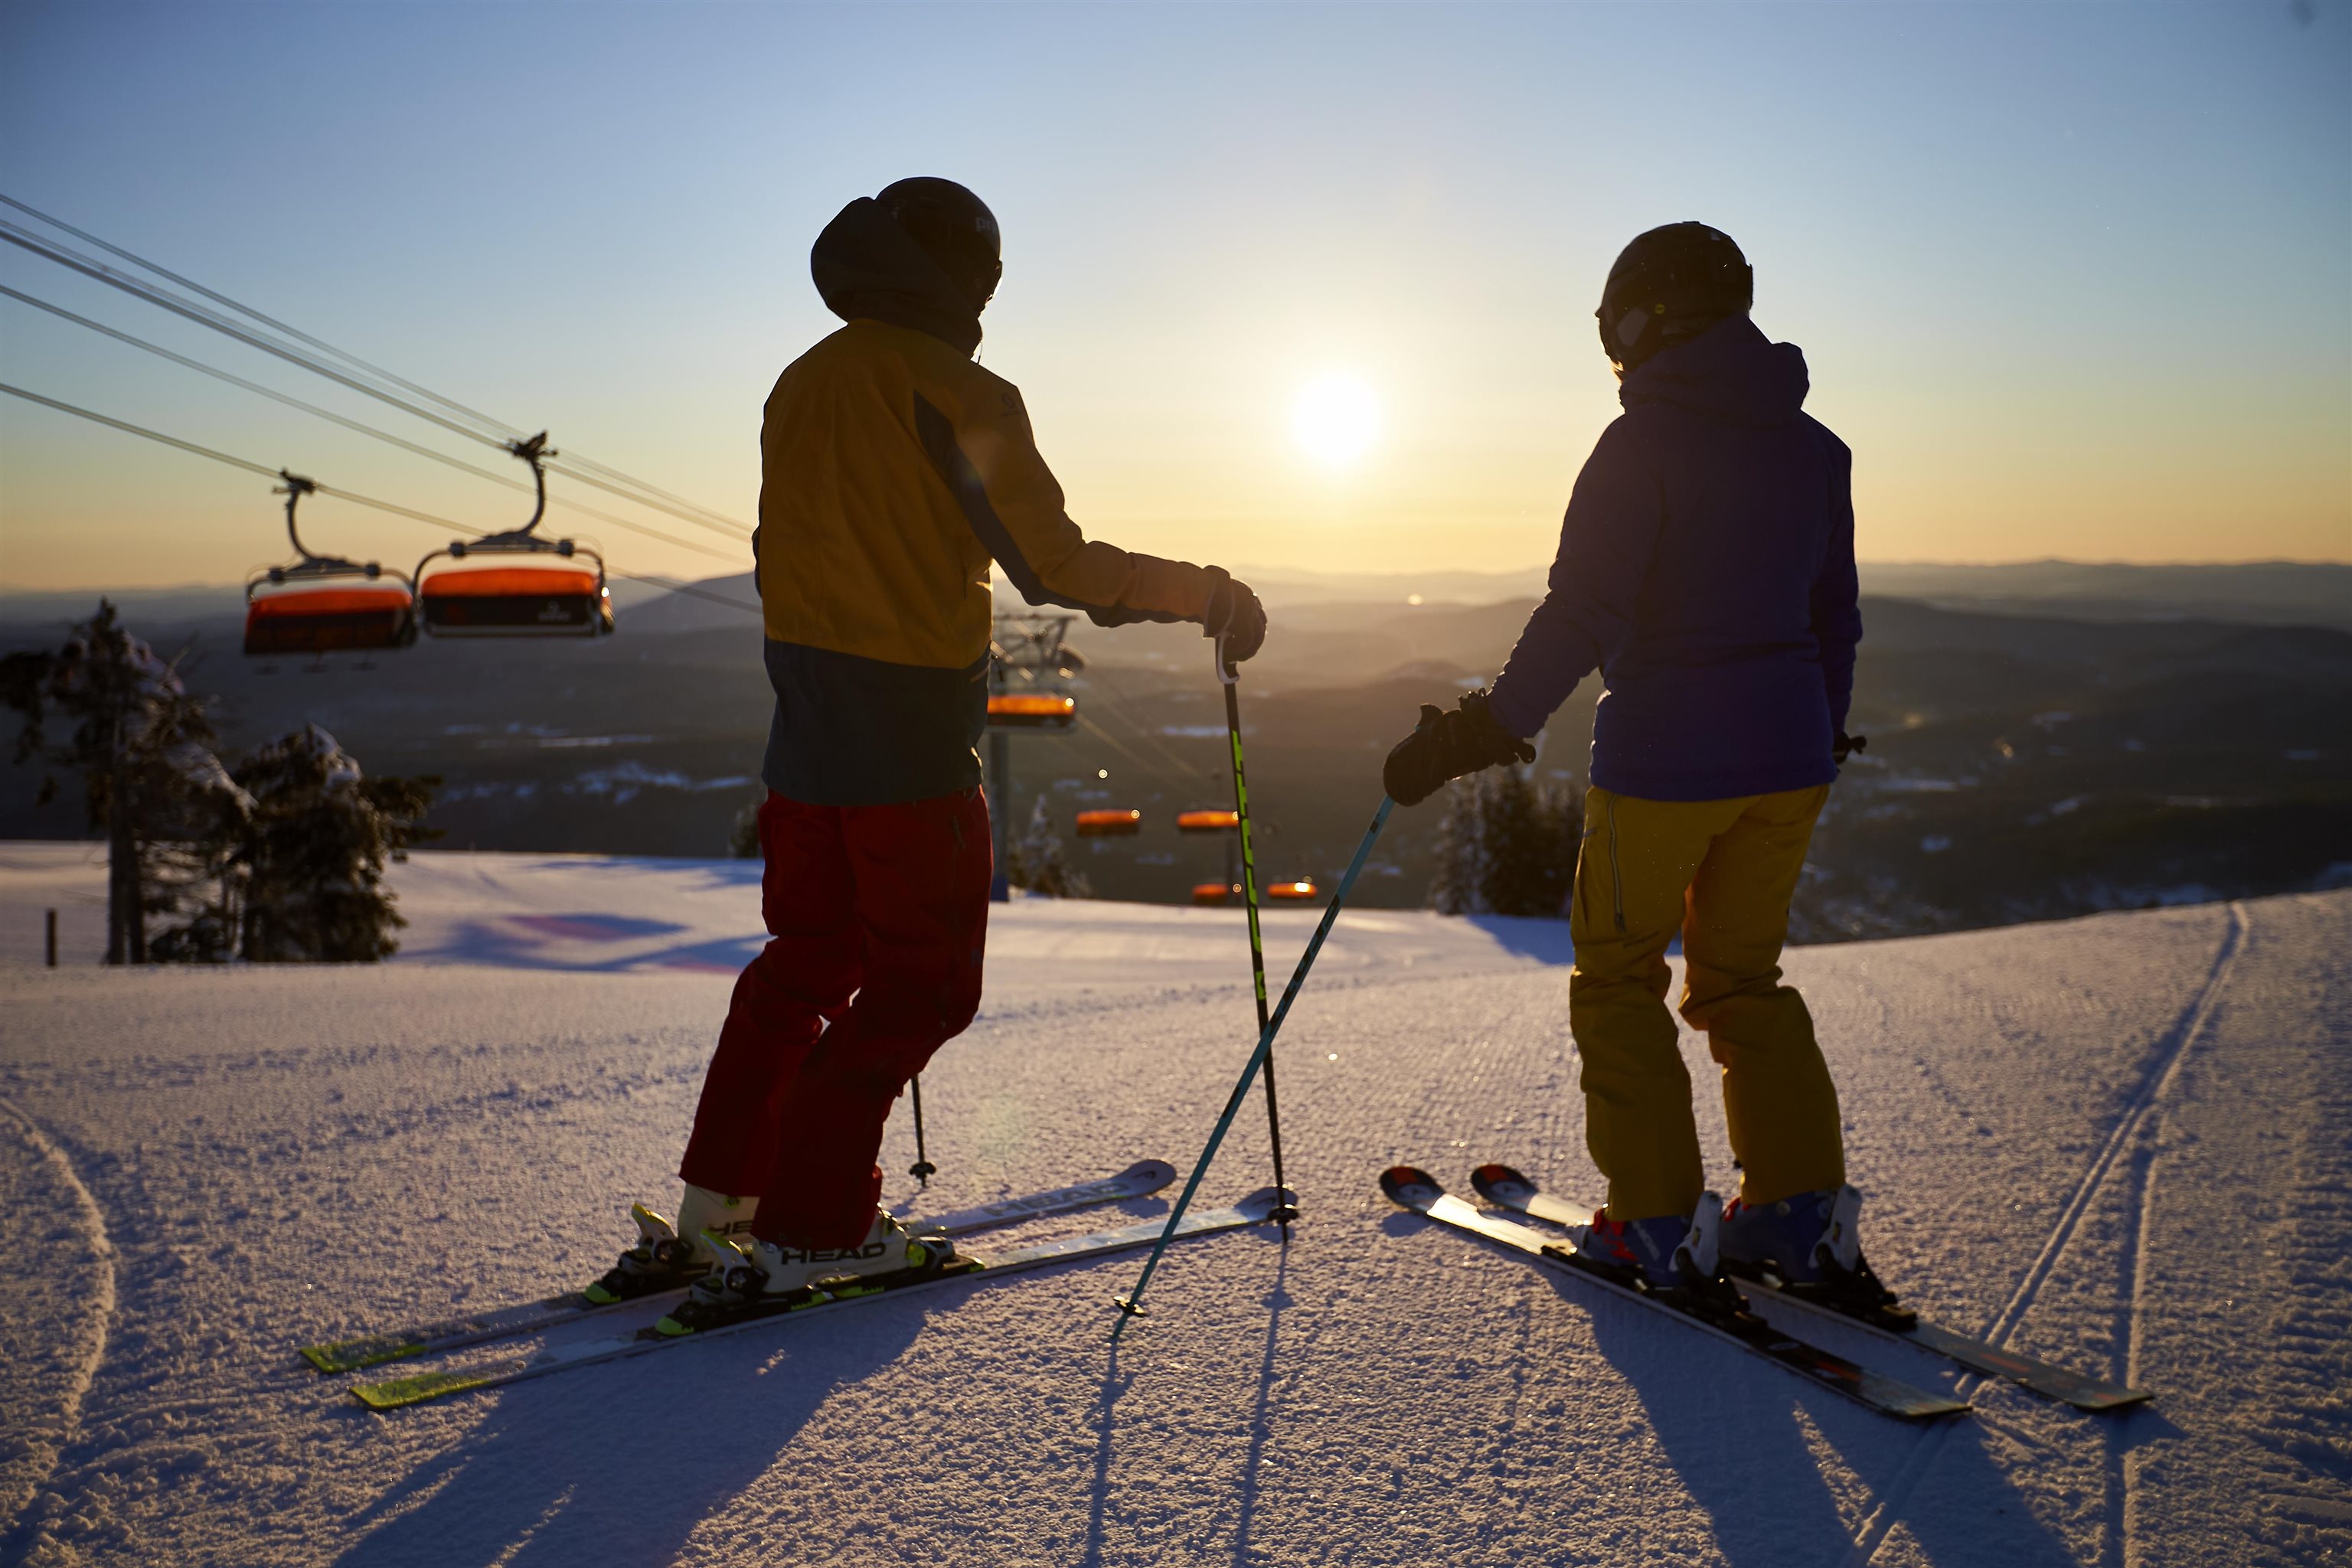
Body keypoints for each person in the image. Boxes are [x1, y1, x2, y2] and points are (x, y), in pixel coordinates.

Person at [593, 178, 1266, 1328]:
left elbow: (781, 544)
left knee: (805, 964)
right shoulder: (962, 389)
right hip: (908, 741)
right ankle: (816, 1222)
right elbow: (1053, 565)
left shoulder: (802, 381)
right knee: (925, 985)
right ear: (965, 275)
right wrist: (1204, 593)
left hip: (802, 735)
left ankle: (721, 1203)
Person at [1383, 222, 1872, 1297]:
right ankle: (1796, 1212)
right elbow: (1834, 620)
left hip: (1664, 766)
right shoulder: (1817, 450)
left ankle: (1653, 1221)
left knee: (1617, 978)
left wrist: (1483, 727)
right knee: (1744, 981)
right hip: (1789, 763)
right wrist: (1819, 729)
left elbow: (1582, 613)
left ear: (1645, 320)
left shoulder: (1640, 444)